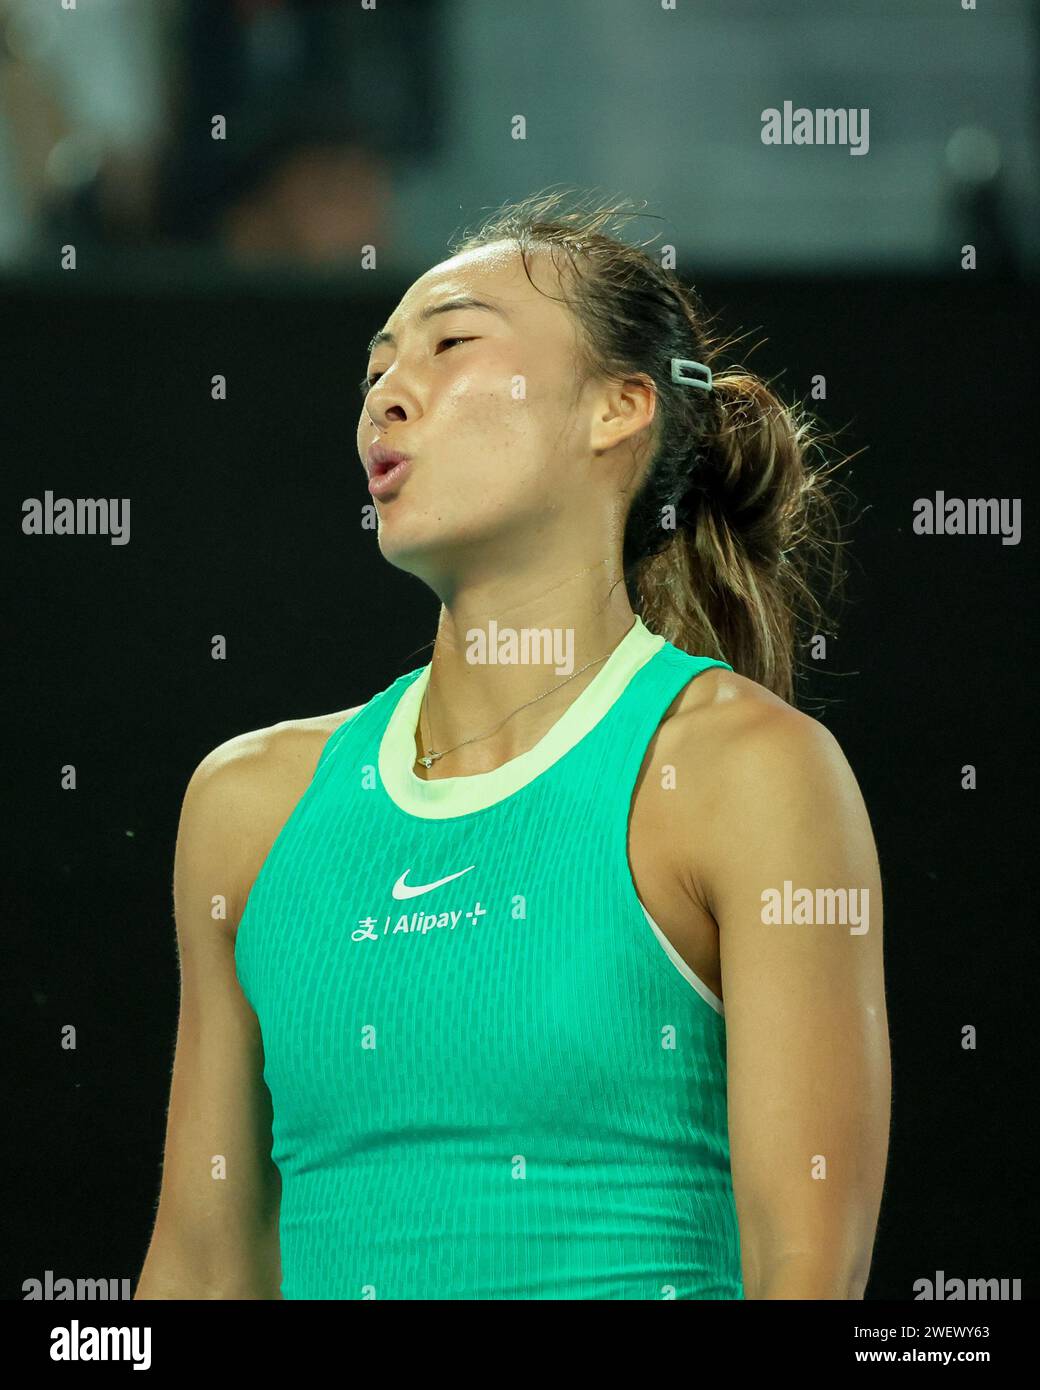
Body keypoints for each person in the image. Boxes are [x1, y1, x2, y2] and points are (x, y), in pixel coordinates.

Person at [135, 191, 890, 1300]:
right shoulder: (246, 805)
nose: (388, 390)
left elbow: (806, 1272)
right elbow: (200, 1266)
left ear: (617, 408)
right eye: (376, 365)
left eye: (450, 343)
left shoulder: (747, 774)